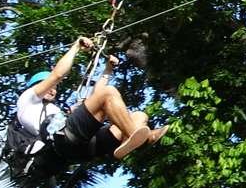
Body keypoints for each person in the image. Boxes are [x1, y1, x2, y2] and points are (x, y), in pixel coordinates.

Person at [16, 37, 166, 174]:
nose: (53, 89)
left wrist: (108, 70)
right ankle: (140, 139)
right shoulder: (27, 99)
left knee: (139, 116)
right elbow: (57, 75)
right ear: (36, 86)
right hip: (63, 141)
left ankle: (134, 137)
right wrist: (76, 46)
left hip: (85, 148)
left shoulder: (56, 112)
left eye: (55, 88)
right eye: (48, 86)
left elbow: (97, 97)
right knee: (109, 93)